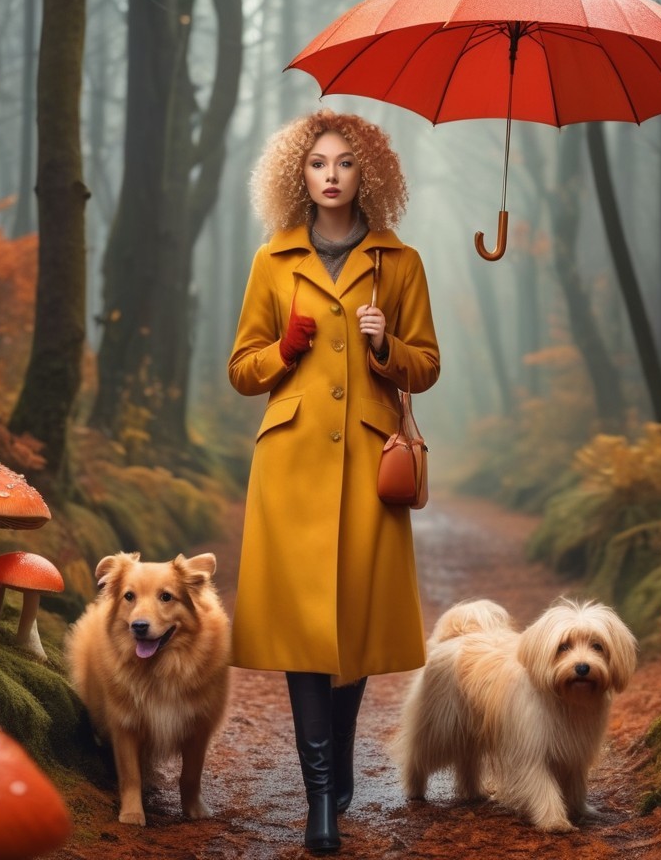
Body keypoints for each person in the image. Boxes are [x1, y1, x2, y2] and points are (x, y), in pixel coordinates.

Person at [227, 110, 440, 854]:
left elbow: (428, 366)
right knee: (301, 631)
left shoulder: (400, 262)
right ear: (298, 174)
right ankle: (321, 795)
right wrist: (282, 349)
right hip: (290, 467)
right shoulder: (271, 261)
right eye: (317, 162)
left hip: (368, 465)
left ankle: (340, 761)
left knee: (349, 620)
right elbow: (241, 369)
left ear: (367, 175)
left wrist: (387, 348)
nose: (330, 174)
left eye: (346, 163)